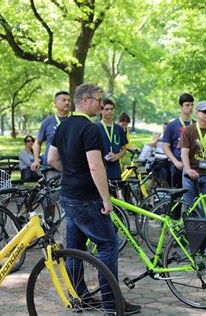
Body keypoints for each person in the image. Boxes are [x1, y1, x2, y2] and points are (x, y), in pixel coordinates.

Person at [47, 83, 141, 314]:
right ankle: (112, 303)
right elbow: (95, 166)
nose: (102, 105)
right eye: (99, 100)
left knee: (75, 249)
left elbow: (51, 159)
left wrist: (71, 172)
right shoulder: (91, 129)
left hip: (68, 194)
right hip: (88, 198)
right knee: (108, 245)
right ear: (86, 100)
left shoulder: (64, 125)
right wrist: (106, 199)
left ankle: (80, 296)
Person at [31, 91, 71, 176]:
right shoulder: (48, 122)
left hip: (72, 167)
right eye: (63, 100)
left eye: (69, 100)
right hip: (52, 168)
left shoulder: (75, 119)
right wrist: (36, 160)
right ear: (55, 104)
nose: (67, 102)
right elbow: (37, 143)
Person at [162, 93, 195, 189]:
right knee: (178, 200)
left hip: (193, 167)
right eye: (187, 105)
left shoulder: (196, 125)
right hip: (178, 167)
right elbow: (165, 146)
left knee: (194, 199)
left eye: (192, 105)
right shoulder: (171, 125)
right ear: (180, 107)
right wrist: (175, 162)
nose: (190, 108)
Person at [96, 99, 128, 180]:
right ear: (101, 111)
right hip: (100, 168)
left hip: (116, 170)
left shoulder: (119, 129)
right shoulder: (95, 127)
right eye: (106, 109)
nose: (110, 111)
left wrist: (117, 156)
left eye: (111, 109)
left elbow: (124, 149)